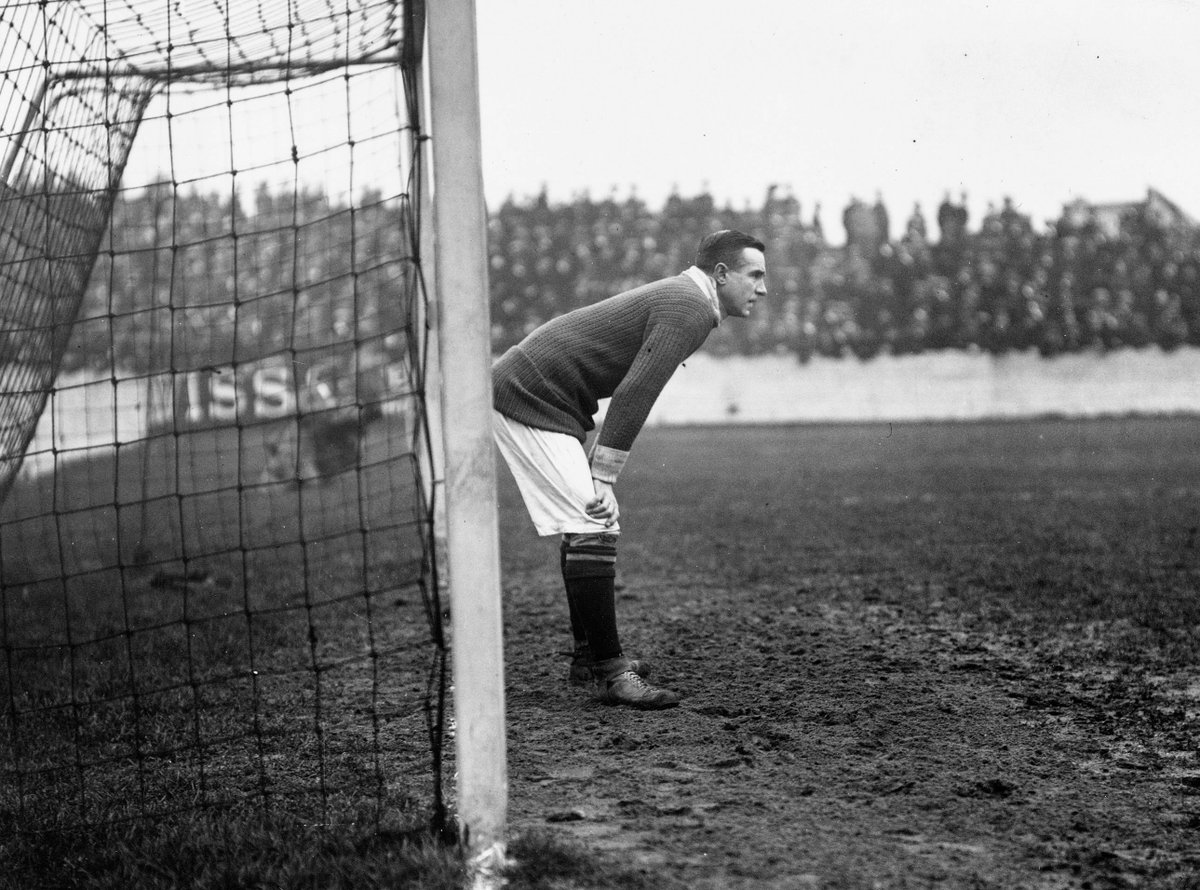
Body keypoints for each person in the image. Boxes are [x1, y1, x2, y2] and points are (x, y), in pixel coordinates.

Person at [492, 229, 768, 710]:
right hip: (529, 393)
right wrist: (603, 475)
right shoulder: (691, 305)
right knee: (594, 518)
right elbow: (635, 391)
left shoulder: (685, 298)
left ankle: (588, 657)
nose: (762, 289)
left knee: (585, 523)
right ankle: (611, 671)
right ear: (721, 274)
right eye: (755, 275)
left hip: (542, 392)